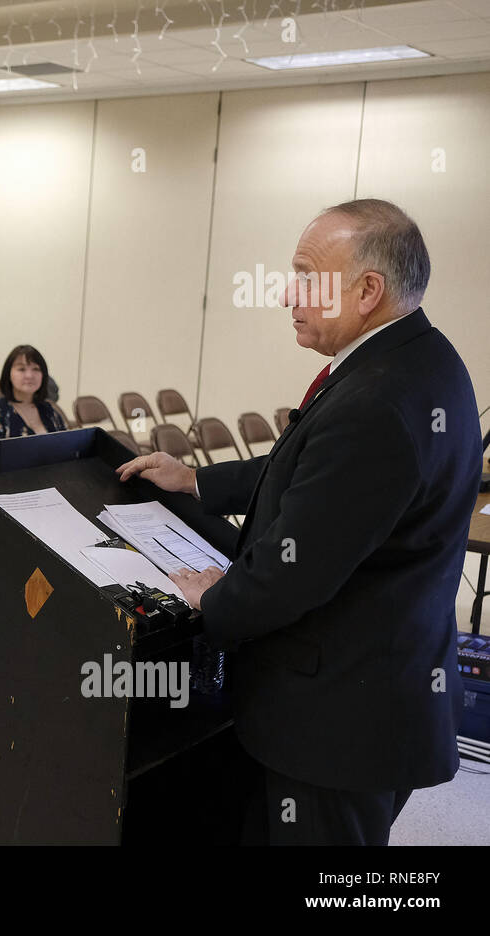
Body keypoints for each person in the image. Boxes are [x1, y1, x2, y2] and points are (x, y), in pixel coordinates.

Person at [117, 199, 482, 845]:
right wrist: (198, 478)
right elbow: (315, 470)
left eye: (306, 276)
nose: (288, 293)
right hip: (376, 692)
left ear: (368, 290)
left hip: (338, 721)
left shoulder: (376, 401)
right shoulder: (419, 360)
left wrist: (216, 598)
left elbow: (296, 573)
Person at [0, 345, 68, 441]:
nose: (29, 375)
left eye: (36, 369)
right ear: (8, 374)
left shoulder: (49, 410)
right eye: (21, 369)